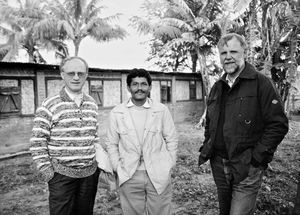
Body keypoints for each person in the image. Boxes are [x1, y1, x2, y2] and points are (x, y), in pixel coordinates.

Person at [198, 33, 289, 215]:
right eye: (223, 53)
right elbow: (211, 122)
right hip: (219, 165)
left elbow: (278, 124)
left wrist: (257, 158)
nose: (228, 56)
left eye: (233, 51)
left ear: (244, 52)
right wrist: (209, 145)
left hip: (247, 166)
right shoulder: (217, 86)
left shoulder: (261, 83)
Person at [30, 56, 101, 215]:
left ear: (86, 75)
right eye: (71, 73)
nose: (76, 77)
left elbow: (94, 137)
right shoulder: (50, 105)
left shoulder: (92, 104)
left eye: (80, 73)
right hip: (61, 176)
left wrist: (98, 165)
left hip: (89, 175)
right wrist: (48, 172)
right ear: (62, 75)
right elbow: (37, 142)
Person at [106, 68, 178, 215]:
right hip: (129, 173)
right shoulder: (117, 112)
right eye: (135, 84)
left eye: (144, 84)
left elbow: (172, 138)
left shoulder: (161, 110)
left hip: (158, 172)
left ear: (150, 87)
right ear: (128, 87)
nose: (139, 88)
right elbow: (111, 144)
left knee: (160, 212)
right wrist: (117, 167)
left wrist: (169, 163)